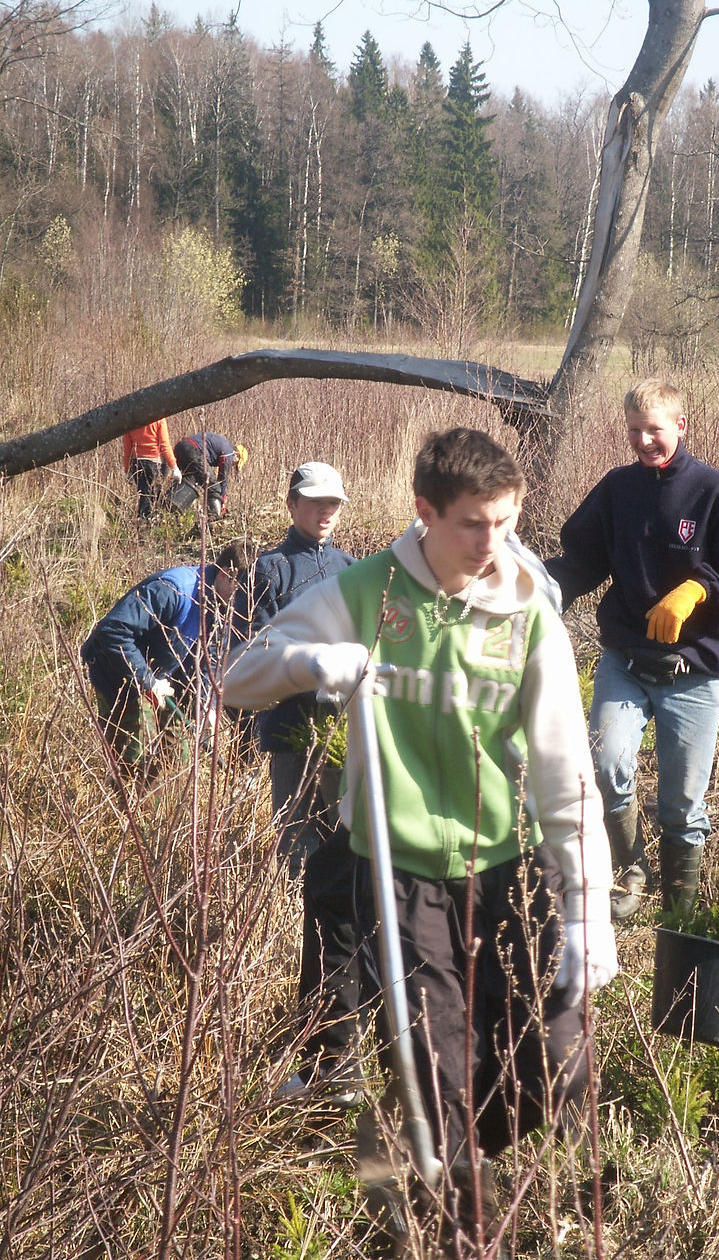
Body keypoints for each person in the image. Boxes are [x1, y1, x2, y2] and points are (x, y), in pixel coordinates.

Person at [223, 427, 617, 1246]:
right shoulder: (369, 590)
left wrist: (588, 914)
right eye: (474, 523)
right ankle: (463, 1227)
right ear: (425, 512)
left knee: (558, 1057)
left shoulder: (527, 615)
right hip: (396, 870)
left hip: (501, 866)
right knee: (442, 1076)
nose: (493, 542)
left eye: (506, 521)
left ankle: (436, 1152)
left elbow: (564, 772)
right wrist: (310, 664)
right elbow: (240, 676)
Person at [546, 377, 719, 920]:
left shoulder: (713, 491)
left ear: (681, 426)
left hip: (693, 671)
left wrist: (698, 590)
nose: (644, 440)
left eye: (655, 429)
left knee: (681, 803)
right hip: (625, 660)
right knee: (603, 767)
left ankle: (680, 914)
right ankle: (631, 869)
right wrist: (537, 590)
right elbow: (580, 559)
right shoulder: (617, 489)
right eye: (634, 430)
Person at [232, 461, 361, 1105]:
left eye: (333, 502)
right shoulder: (269, 570)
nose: (325, 511)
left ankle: (329, 972)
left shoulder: (351, 567)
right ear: (291, 504)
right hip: (289, 727)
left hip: (341, 730)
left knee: (340, 848)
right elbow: (246, 649)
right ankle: (293, 941)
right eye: (314, 502)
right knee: (295, 844)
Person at [81, 539, 254, 778]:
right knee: (138, 766)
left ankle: (166, 810)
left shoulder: (222, 605)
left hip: (161, 676)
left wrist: (206, 708)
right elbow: (112, 632)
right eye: (241, 591)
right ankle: (135, 811)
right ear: (225, 574)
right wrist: (147, 682)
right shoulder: (173, 590)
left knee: (177, 760)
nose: (244, 602)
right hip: (119, 675)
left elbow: (208, 661)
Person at [173, 431, 248, 517]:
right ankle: (214, 518)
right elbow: (222, 479)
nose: (233, 465)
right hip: (192, 450)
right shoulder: (229, 452)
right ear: (237, 455)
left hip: (181, 447)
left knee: (190, 481)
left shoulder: (223, 445)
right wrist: (222, 500)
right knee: (214, 487)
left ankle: (171, 509)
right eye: (236, 463)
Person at [123, 419, 180, 521]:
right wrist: (174, 466)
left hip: (137, 463)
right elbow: (164, 445)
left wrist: (127, 470)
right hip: (154, 463)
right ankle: (144, 525)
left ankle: (143, 523)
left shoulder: (130, 419)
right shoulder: (159, 419)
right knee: (151, 498)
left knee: (144, 495)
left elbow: (127, 448)